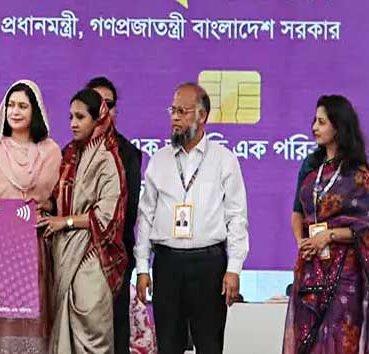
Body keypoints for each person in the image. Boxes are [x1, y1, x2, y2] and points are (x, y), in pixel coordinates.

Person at [135, 82, 249, 354]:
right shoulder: (159, 160)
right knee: (168, 345)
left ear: (202, 115)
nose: (175, 118)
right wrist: (142, 268)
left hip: (209, 265)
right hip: (167, 264)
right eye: (172, 111)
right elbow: (146, 216)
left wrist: (234, 268)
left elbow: (236, 217)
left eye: (182, 112)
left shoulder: (224, 160)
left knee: (210, 345)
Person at [0, 80, 62, 354]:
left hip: (36, 248)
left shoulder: (51, 152)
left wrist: (44, 207)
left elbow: (58, 201)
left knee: (34, 320)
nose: (15, 111)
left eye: (22, 106)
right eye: (11, 105)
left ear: (35, 111)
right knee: (1, 321)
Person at [38, 88, 129, 354]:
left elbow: (107, 215)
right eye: (70, 117)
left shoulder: (108, 158)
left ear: (98, 119)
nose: (73, 124)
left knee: (92, 337)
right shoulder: (69, 154)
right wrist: (47, 206)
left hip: (93, 257)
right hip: (65, 254)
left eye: (80, 117)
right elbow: (63, 198)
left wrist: (65, 222)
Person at [283, 95, 369, 354]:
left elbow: (365, 227)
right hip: (312, 266)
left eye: (321, 122)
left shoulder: (359, 173)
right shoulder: (311, 167)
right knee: (309, 341)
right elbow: (298, 213)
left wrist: (329, 236)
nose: (314, 128)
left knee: (341, 339)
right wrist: (302, 243)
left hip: (345, 273)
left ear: (338, 127)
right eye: (314, 121)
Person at [87, 76, 143, 354]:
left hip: (115, 256)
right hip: (78, 257)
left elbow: (127, 212)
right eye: (95, 104)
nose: (102, 110)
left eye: (108, 104)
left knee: (116, 327)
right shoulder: (69, 154)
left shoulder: (128, 154)